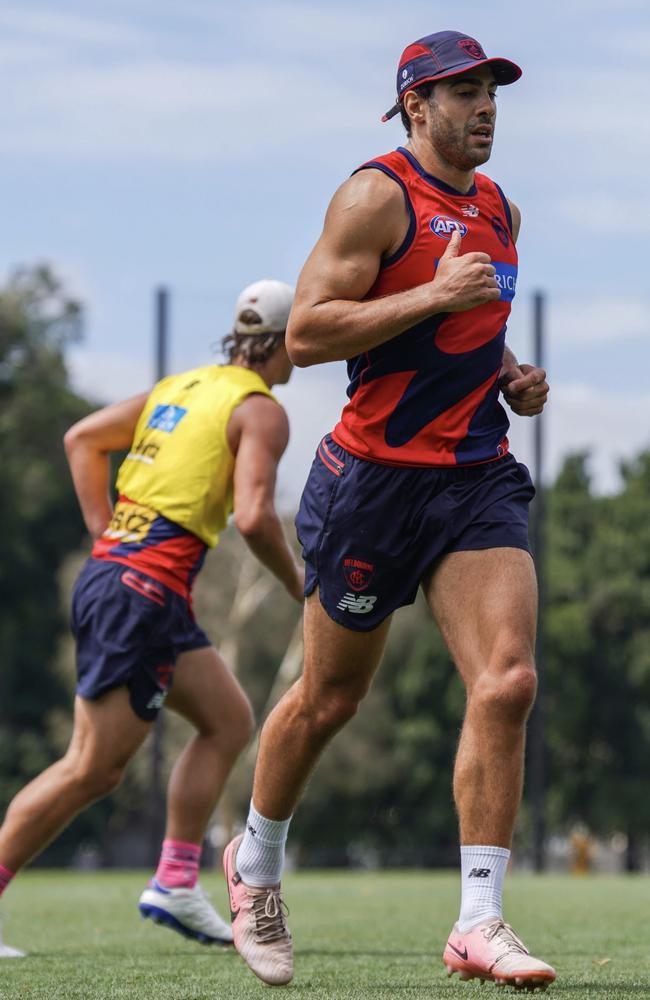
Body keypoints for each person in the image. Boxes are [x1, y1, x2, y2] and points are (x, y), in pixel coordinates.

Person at [223, 31, 556, 991]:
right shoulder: (376, 196)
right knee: (330, 700)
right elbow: (313, 328)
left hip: (475, 477)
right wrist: (429, 297)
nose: (486, 107)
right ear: (416, 105)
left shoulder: (501, 208)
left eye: (492, 91)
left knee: (508, 682)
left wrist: (510, 377)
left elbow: (472, 318)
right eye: (464, 93)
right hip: (372, 481)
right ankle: (255, 866)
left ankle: (479, 923)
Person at [0, 278, 304, 957]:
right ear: (289, 341)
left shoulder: (183, 386)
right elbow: (255, 517)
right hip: (140, 589)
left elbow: (84, 440)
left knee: (227, 720)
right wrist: (301, 586)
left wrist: (106, 536)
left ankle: (173, 879)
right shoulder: (260, 412)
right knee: (90, 768)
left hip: (135, 584)